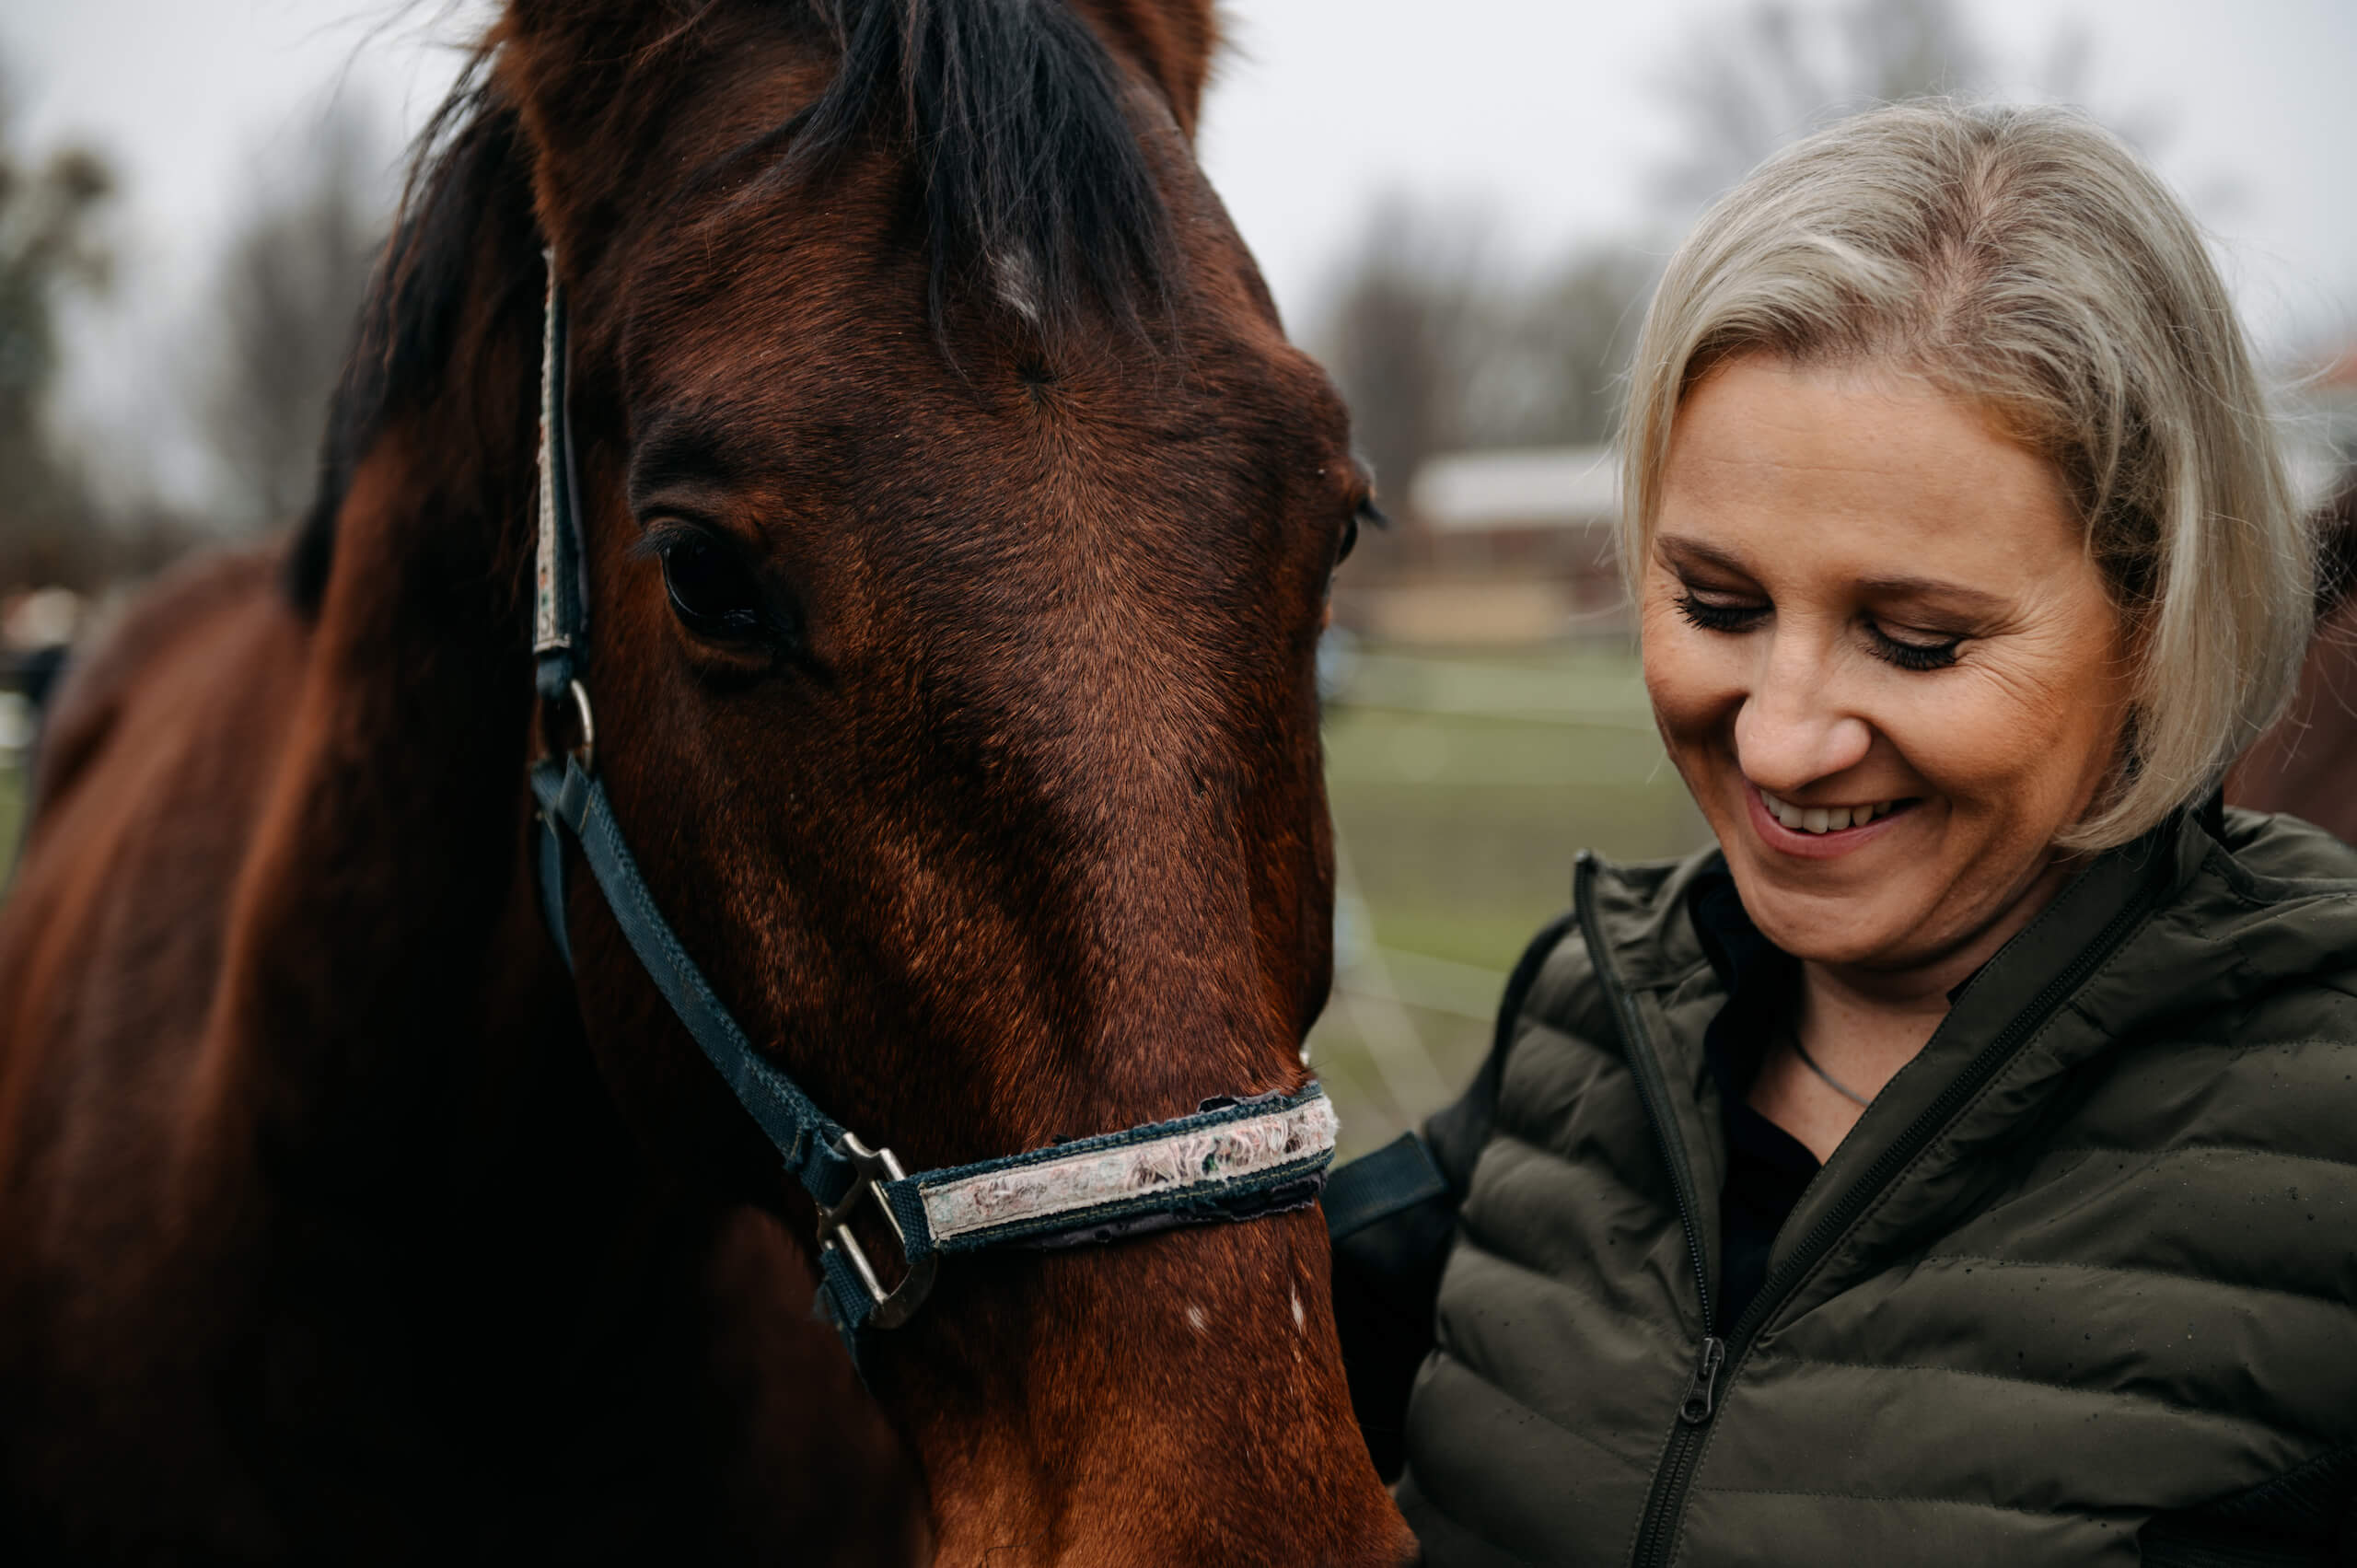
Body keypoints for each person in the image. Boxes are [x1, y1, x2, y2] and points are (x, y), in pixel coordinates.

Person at [1324, 100, 2357, 1567]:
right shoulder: (1587, 1013)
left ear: (2156, 618)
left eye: (1918, 640)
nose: (1781, 739)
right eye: (1718, 607)